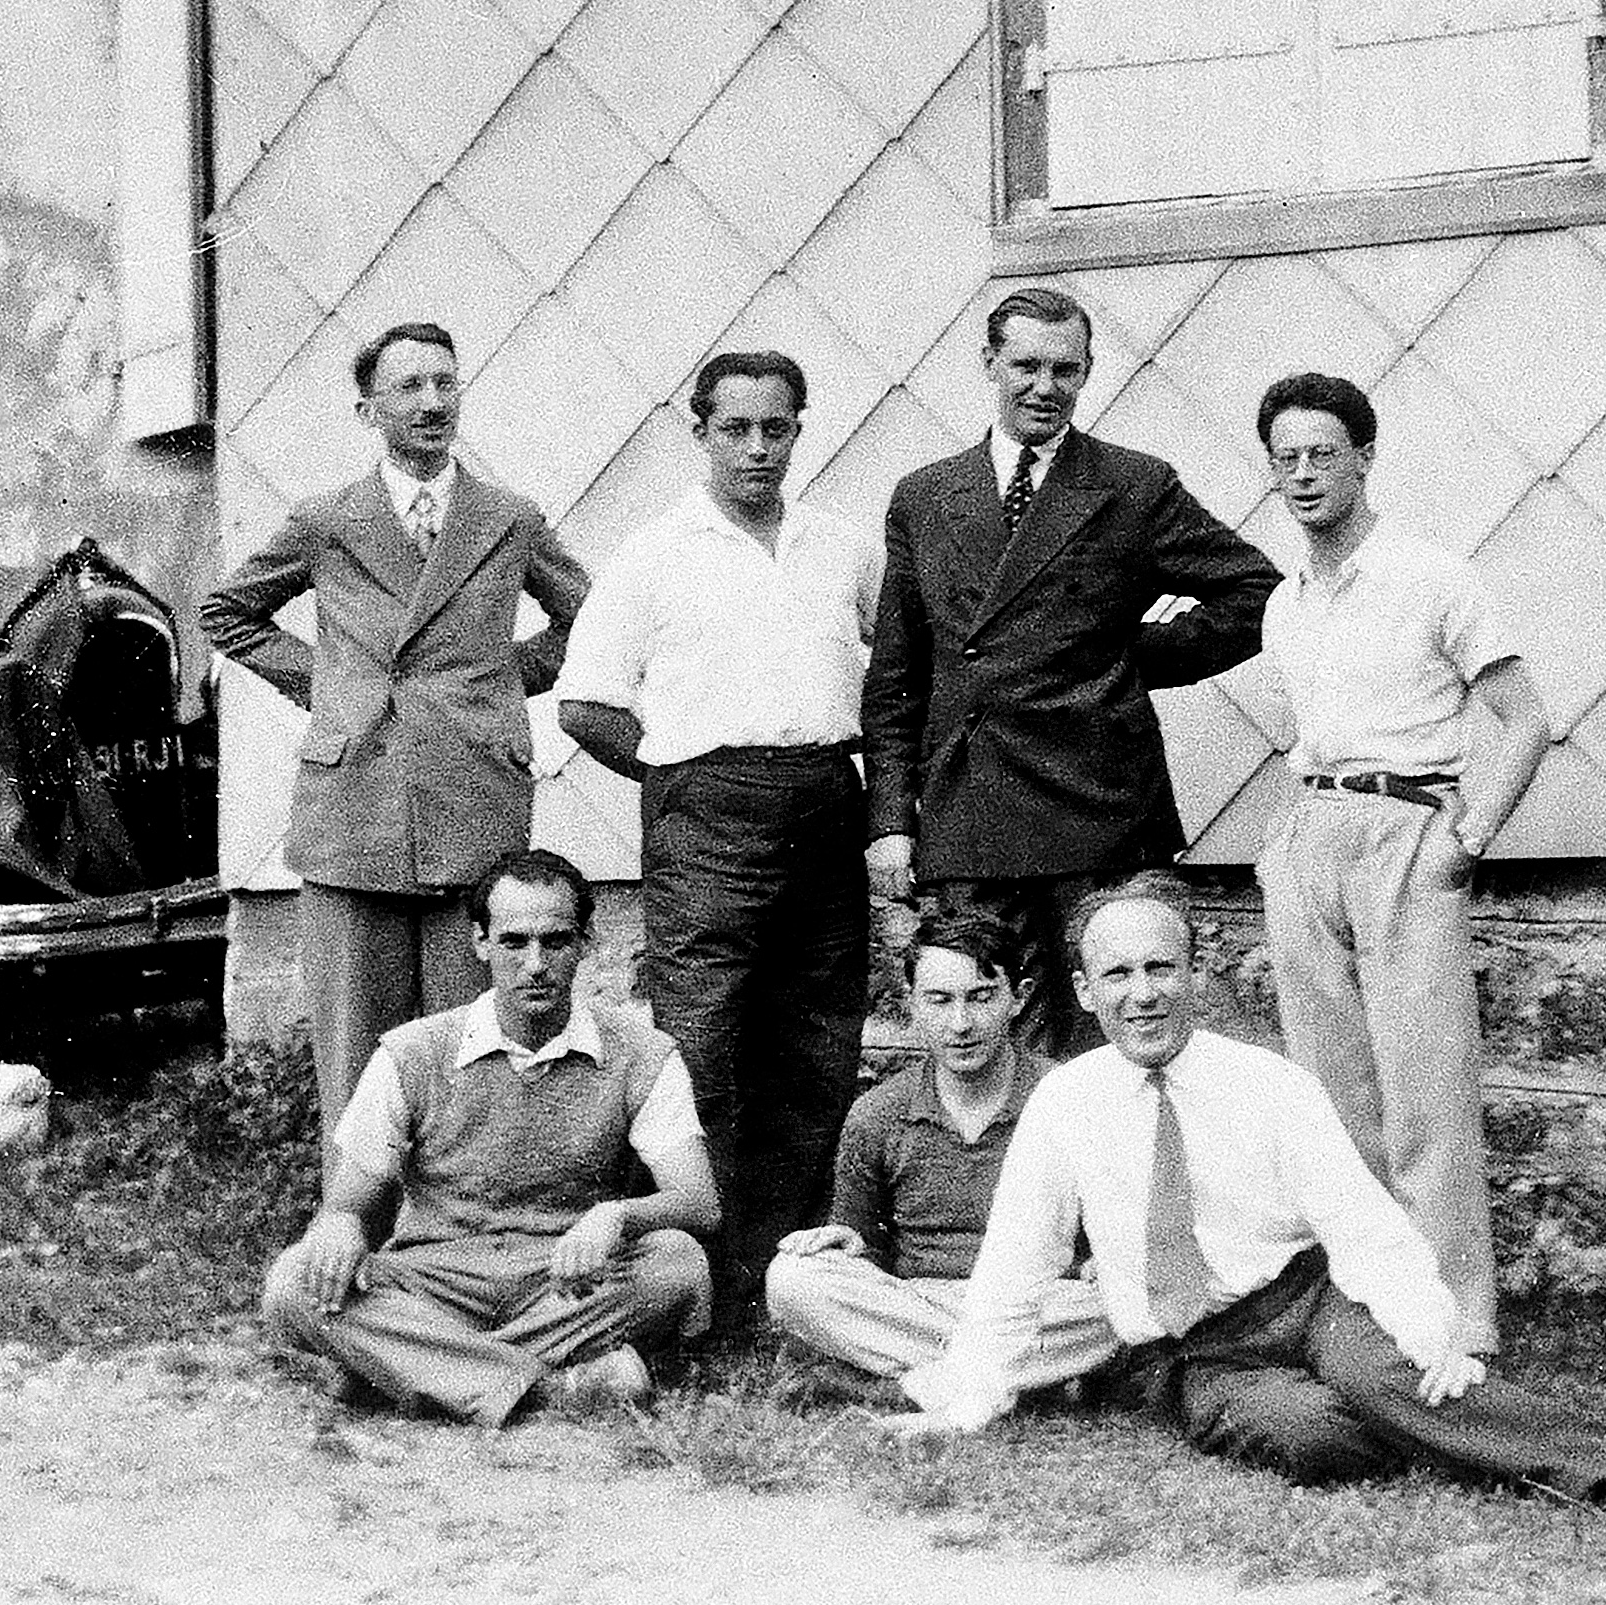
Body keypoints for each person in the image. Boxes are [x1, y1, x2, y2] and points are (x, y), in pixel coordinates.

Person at [888, 882, 1606, 1518]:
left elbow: (1360, 1223)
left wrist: (1427, 1325)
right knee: (1312, 1437)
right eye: (1118, 975)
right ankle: (1453, 1426)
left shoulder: (1269, 1084)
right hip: (1192, 1351)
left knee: (1395, 1370)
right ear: (1082, 991)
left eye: (1160, 968)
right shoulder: (1066, 1102)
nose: (1141, 993)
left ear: (1195, 974)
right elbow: (1016, 1262)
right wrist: (970, 1397)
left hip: (1306, 1301)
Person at [861, 286, 1281, 1058]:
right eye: (1025, 366)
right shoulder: (924, 496)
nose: (1045, 388)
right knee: (988, 1039)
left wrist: (1126, 662)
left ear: (1088, 373)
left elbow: (1254, 593)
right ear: (989, 363)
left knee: (1109, 1038)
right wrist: (890, 820)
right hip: (970, 809)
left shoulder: (1131, 484)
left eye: (1067, 370)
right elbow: (897, 677)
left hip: (1097, 805)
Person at [203, 321, 590, 1157]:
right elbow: (226, 613)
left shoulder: (508, 518)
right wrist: (330, 687)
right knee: (358, 1046)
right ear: (366, 408)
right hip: (355, 805)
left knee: (466, 1038)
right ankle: (354, 1227)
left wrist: (496, 683)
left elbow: (589, 621)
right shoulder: (327, 520)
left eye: (445, 383)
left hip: (471, 795)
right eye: (410, 387)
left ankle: (461, 1217)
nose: (432, 403)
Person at [558, 350, 879, 1314]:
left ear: (798, 430)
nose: (756, 448)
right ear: (697, 432)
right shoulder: (655, 553)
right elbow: (587, 705)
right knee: (705, 1046)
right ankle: (710, 1285)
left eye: (775, 428)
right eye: (734, 429)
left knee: (818, 1039)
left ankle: (793, 1274)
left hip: (824, 799)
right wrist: (679, 784)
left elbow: (899, 668)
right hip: (707, 813)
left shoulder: (841, 546)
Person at [1248, 373, 1550, 1357]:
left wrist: (1468, 840)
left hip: (1410, 835)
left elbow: (1524, 721)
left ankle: (1460, 1322)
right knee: (1332, 1099)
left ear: (1364, 458)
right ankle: (1375, 1310)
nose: (1303, 475)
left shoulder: (1432, 577)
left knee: (1427, 1095)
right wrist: (1286, 848)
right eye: (1285, 458)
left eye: (1322, 454)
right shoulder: (1285, 604)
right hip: (1312, 835)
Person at [260, 849, 717, 1426]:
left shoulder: (641, 1054)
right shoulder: (413, 1052)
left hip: (565, 1281)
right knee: (293, 1283)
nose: (535, 965)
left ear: (586, 943)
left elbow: (699, 1201)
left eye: (555, 941)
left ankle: (414, 1370)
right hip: (435, 1278)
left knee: (678, 1263)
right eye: (513, 942)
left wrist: (616, 1217)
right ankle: (555, 1390)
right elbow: (349, 1201)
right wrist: (341, 1226)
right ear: (480, 943)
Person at [763, 910, 1117, 1395]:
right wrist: (845, 1243)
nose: (961, 1023)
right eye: (940, 1001)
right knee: (794, 1280)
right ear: (911, 1005)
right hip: (917, 1298)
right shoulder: (879, 1113)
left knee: (1119, 1300)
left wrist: (1101, 1263)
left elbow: (1107, 1235)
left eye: (981, 997)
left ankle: (895, 1382)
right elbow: (861, 1239)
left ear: (1019, 997)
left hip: (1038, 1301)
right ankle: (1025, 1376)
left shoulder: (1069, 1098)